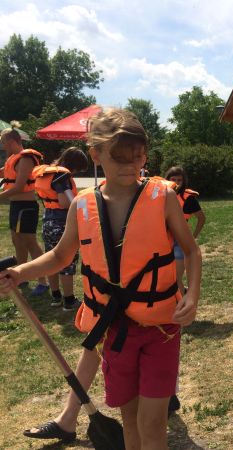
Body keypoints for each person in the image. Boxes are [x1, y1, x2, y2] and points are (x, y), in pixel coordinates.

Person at [0, 109, 201, 450]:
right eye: (119, 157)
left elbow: (192, 251)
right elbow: (60, 256)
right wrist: (19, 272)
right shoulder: (82, 205)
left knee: (152, 424)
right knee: (130, 421)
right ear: (95, 154)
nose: (130, 166)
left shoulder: (163, 197)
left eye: (138, 156)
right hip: (113, 329)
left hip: (161, 328)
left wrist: (192, 295)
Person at [34, 147, 89, 310]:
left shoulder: (48, 172)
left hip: (48, 222)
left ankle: (56, 296)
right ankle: (69, 301)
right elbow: (65, 202)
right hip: (62, 223)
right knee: (67, 261)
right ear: (74, 165)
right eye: (77, 170)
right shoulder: (62, 177)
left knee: (52, 258)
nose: (75, 173)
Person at [0, 124, 49, 295]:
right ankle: (21, 277)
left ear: (12, 141)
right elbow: (4, 173)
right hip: (16, 207)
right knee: (17, 241)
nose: (2, 146)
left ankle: (43, 282)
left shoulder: (26, 159)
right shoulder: (13, 159)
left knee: (30, 243)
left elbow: (19, 186)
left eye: (3, 142)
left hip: (26, 208)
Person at [164, 166, 206, 293]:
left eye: (179, 180)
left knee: (176, 279)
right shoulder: (160, 195)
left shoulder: (189, 199)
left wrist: (193, 236)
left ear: (184, 181)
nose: (176, 183)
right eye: (173, 179)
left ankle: (182, 298)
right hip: (163, 240)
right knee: (166, 279)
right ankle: (182, 294)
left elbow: (201, 218)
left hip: (179, 241)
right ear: (167, 179)